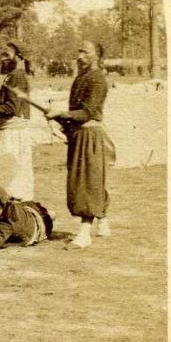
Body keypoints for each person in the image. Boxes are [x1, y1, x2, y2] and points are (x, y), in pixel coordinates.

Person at [48, 41, 115, 248]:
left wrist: (63, 114)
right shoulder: (81, 77)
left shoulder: (98, 79)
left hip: (89, 136)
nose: (79, 56)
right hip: (78, 134)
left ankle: (84, 234)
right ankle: (103, 222)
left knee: (87, 182)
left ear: (97, 56)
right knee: (88, 179)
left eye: (85, 52)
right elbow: (76, 110)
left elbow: (88, 112)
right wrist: (63, 120)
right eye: (79, 51)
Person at [0, 42, 37, 201]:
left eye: (7, 55)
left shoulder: (16, 76)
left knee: (11, 178)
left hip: (14, 134)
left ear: (18, 56)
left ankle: (15, 213)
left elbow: (11, 108)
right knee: (15, 176)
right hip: (12, 131)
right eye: (2, 55)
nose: (2, 58)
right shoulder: (13, 76)